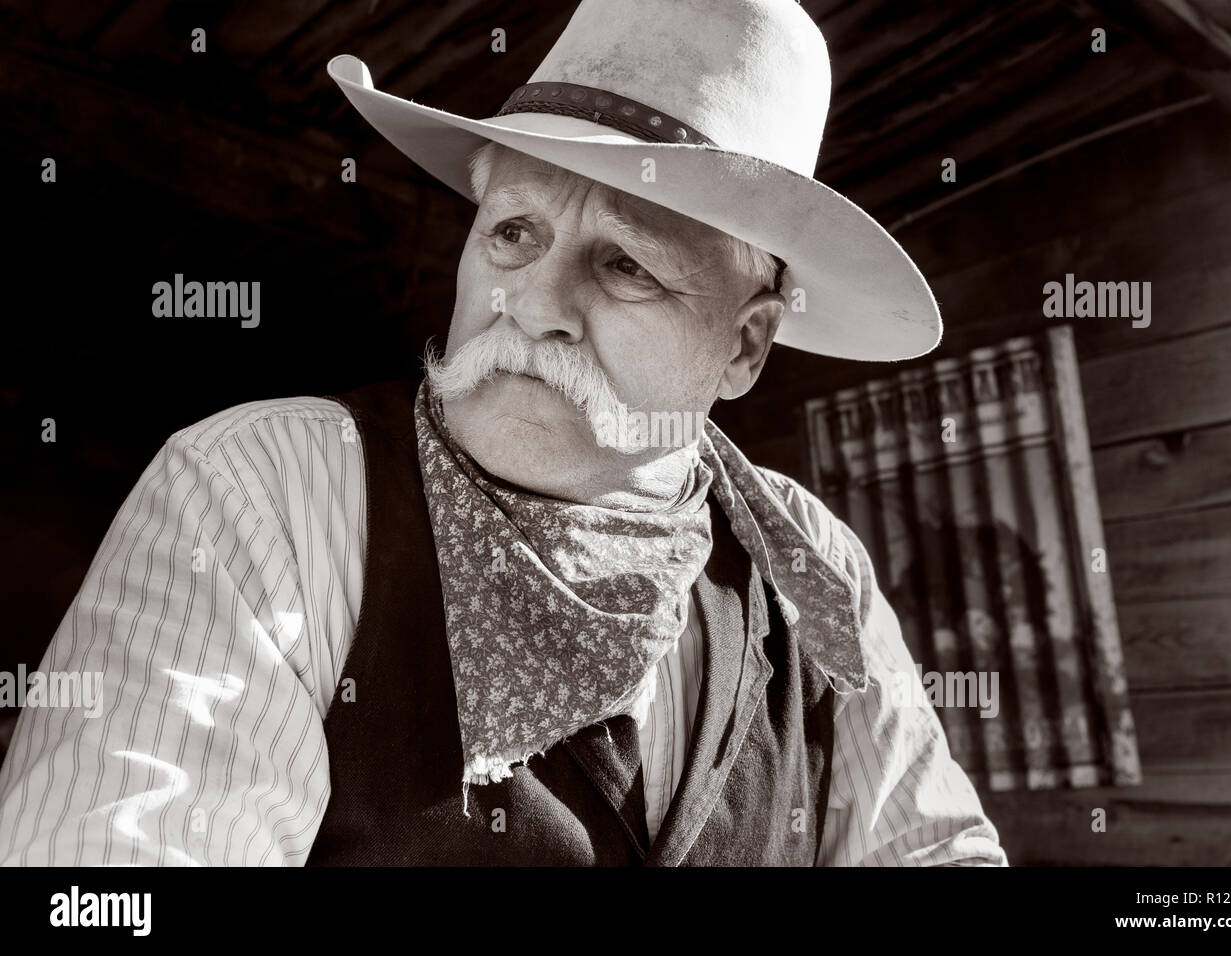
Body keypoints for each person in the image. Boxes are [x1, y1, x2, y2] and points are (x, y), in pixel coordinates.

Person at [0, 0, 1006, 866]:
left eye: (622, 263)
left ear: (743, 347)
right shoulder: (266, 490)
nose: (533, 303)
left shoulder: (810, 563)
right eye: (514, 233)